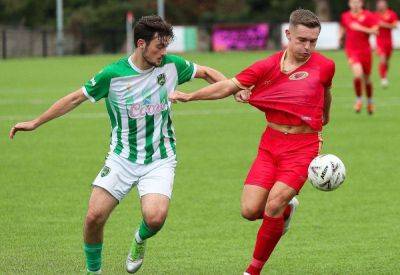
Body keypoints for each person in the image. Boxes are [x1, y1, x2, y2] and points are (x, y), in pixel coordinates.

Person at [9, 15, 229, 274]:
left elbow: (205, 72)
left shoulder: (171, 66)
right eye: (159, 46)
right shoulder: (113, 75)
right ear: (140, 44)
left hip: (160, 157)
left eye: (166, 46)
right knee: (93, 217)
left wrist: (234, 87)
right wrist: (36, 122)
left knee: (155, 219)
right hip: (122, 157)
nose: (164, 52)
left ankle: (139, 239)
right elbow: (74, 99)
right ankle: (94, 272)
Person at [170, 9, 335, 275]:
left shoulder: (325, 65)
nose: (307, 47)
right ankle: (285, 212)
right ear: (288, 34)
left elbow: (326, 91)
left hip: (304, 147)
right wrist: (191, 96)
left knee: (273, 204)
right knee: (249, 210)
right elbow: (228, 86)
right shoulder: (266, 66)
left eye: (313, 41)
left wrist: (325, 115)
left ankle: (252, 270)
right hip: (270, 144)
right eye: (301, 40)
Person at [340, 0, 378, 114]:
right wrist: (340, 36)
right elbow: (343, 27)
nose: (355, 4)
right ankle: (359, 100)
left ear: (362, 3)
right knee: (358, 74)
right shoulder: (345, 16)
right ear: (349, 4)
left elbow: (376, 31)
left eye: (357, 2)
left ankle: (370, 102)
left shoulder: (368, 15)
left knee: (367, 79)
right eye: (353, 2)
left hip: (366, 51)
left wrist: (360, 28)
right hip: (351, 50)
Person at [375, 0, 398, 88]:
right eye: (379, 5)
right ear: (377, 6)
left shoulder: (392, 14)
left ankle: (384, 74)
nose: (381, 6)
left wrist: (383, 24)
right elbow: (373, 26)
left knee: (386, 62)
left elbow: (395, 26)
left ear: (386, 5)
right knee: (383, 59)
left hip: (389, 42)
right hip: (379, 42)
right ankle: (383, 79)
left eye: (382, 4)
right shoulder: (375, 15)